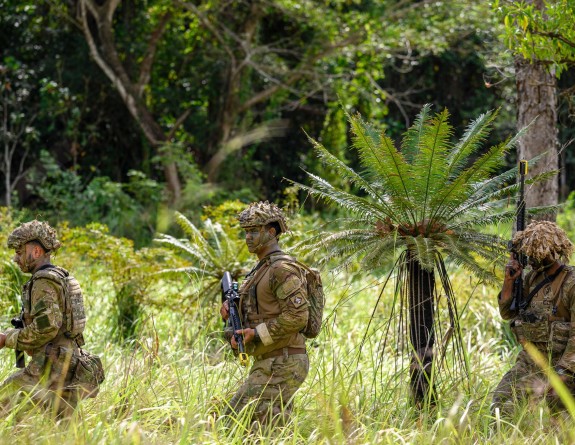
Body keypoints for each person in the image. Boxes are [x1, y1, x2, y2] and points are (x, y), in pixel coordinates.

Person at [220, 201, 310, 425]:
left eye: (253, 231)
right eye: (246, 232)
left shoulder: (281, 269)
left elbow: (298, 316)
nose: (248, 237)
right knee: (266, 428)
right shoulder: (261, 270)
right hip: (270, 360)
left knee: (234, 421)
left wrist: (257, 333)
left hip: (283, 361)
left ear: (271, 232)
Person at [0, 220, 98, 416]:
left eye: (19, 252)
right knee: (64, 431)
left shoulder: (43, 281)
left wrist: (6, 338)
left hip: (51, 370)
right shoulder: (63, 277)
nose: (15, 259)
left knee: (5, 402)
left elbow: (46, 328)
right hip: (71, 366)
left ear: (35, 252)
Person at [493, 220, 575, 416]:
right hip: (533, 360)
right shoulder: (531, 279)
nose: (528, 257)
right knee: (502, 401)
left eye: (533, 251)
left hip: (565, 363)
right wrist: (509, 281)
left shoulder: (570, 282)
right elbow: (507, 313)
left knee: (560, 414)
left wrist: (564, 372)